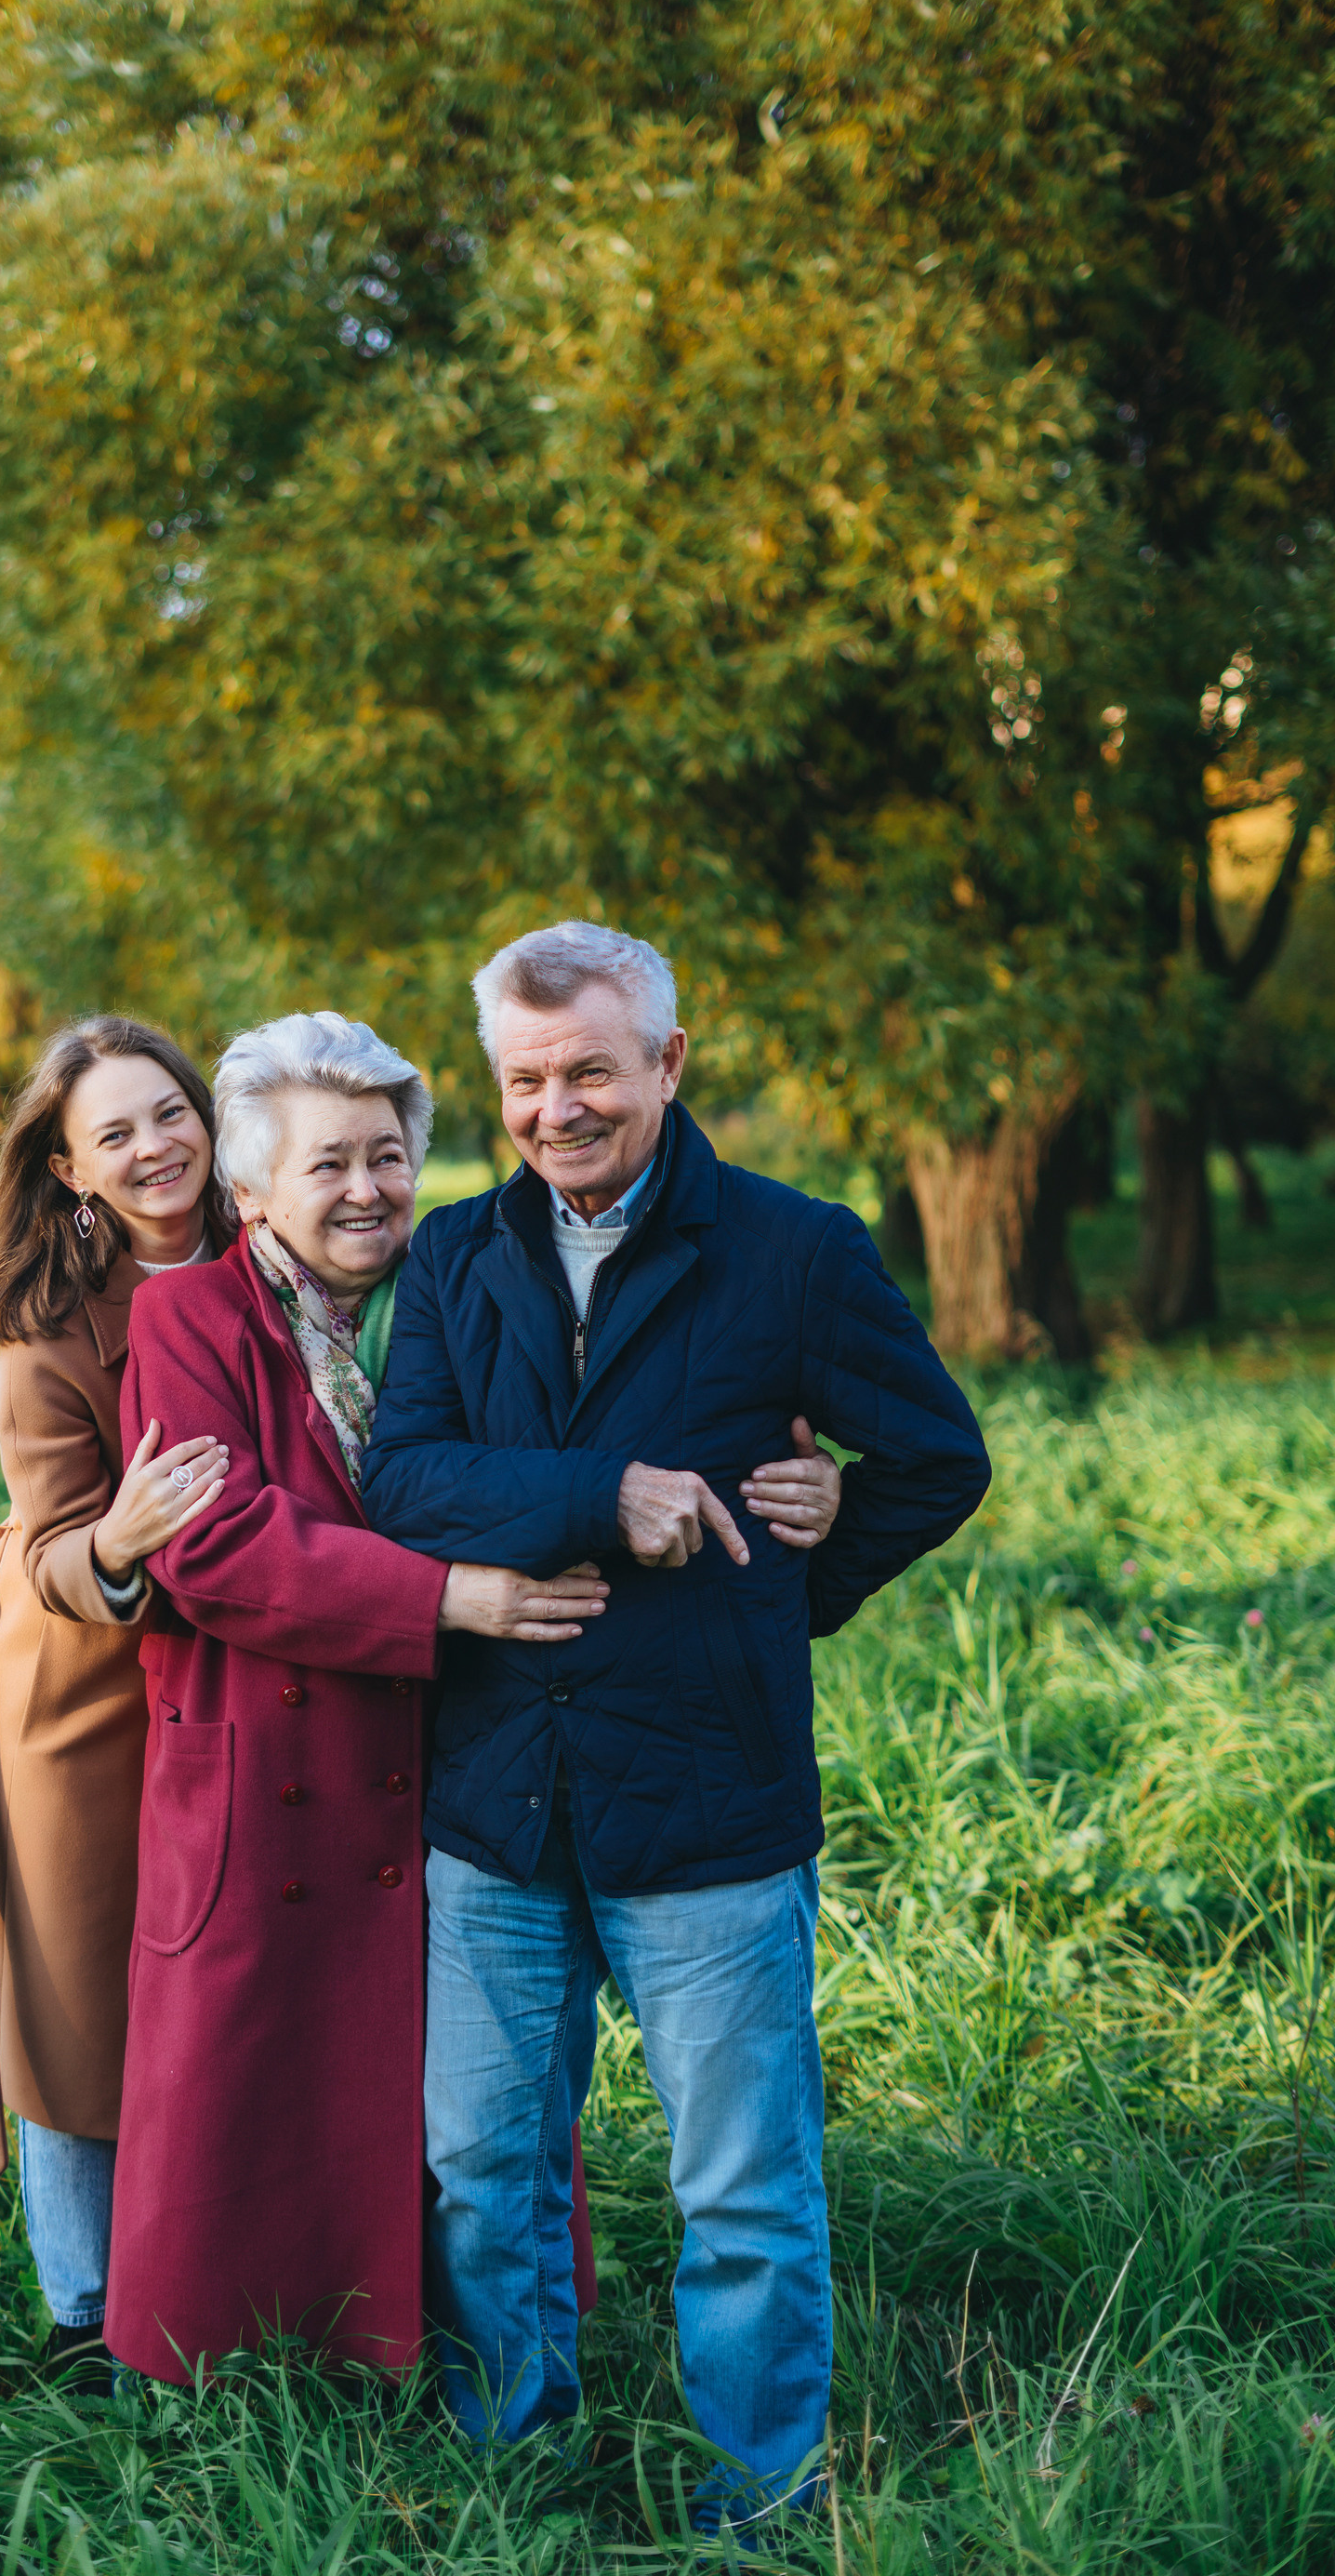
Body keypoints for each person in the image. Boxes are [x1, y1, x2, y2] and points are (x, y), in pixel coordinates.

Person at [101, 1011, 846, 2386]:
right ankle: (248, 2381)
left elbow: (620, 1446)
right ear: (252, 1190)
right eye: (327, 1166)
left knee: (460, 2122)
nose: (368, 1190)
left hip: (472, 1762)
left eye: (388, 1156)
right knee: (263, 2096)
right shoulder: (190, 1316)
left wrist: (809, 1483)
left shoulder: (464, 1282)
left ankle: (447, 2365)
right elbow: (215, 1543)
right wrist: (450, 1598)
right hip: (283, 1757)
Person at [361, 923, 993, 2538]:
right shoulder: (449, 1259)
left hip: (709, 1801)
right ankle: (516, 2464)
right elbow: (406, 1480)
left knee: (741, 2195)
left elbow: (935, 1457)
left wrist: (800, 1560)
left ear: (667, 1064)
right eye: (523, 1079)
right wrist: (601, 1500)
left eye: (588, 1071)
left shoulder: (796, 1251)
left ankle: (762, 2502)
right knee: (485, 2179)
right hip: (496, 1799)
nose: (556, 1107)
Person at [0, 1015, 240, 2392]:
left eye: (169, 1112)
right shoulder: (47, 1332)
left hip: (258, 1673)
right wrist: (120, 1539)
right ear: (70, 1171)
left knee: (233, 1964)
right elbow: (56, 1538)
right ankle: (83, 2303)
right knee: (80, 1986)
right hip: (91, 1685)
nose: (152, 1148)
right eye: (112, 1134)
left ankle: (233, 2258)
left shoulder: (285, 1254)